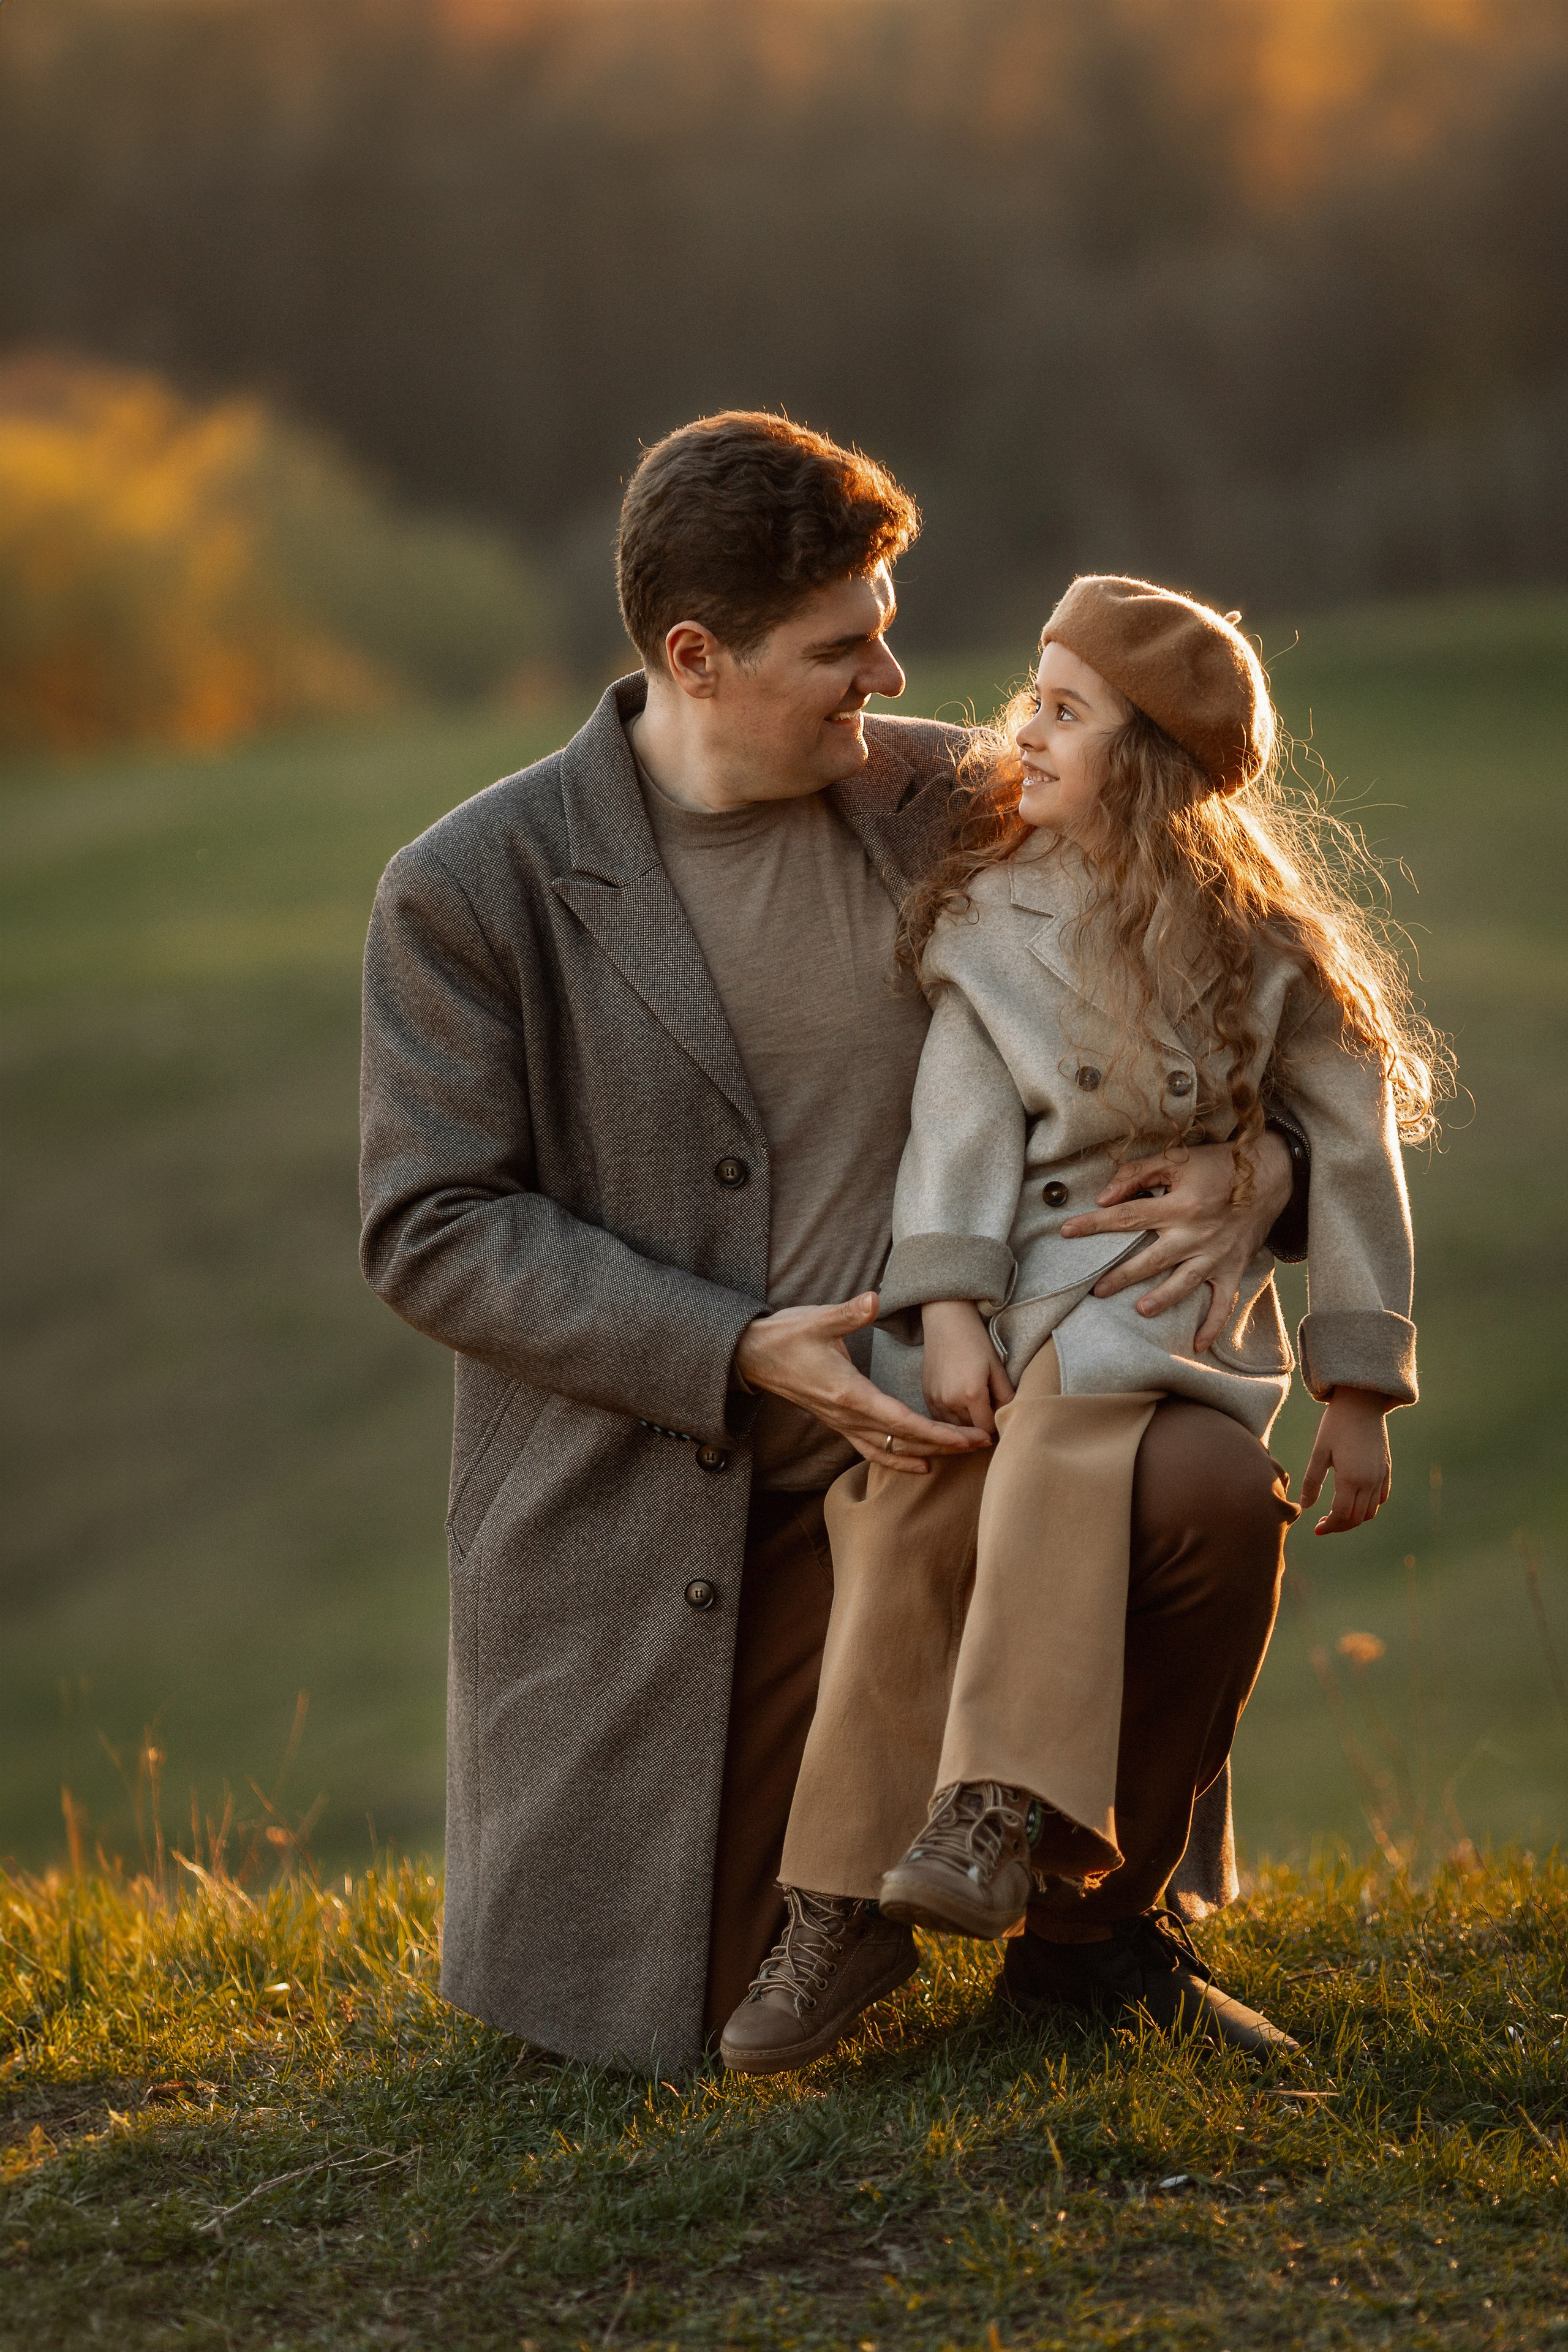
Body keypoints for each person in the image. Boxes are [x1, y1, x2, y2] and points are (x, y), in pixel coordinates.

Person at [360, 415, 1310, 2069]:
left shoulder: (973, 802)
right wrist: (732, 1348)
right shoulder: (474, 890)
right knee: (685, 2015)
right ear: (695, 656)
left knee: (1216, 1495)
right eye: (841, 644)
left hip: (996, 1433)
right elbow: (433, 1229)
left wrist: (1271, 1168)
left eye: (886, 621)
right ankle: (842, 1891)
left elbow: (1251, 980)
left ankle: (1092, 1947)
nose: (890, 669)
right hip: (681, 1503)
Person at [722, 576, 1441, 2077]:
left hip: (1154, 1315)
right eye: (1028, 698)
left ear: (1152, 760)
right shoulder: (987, 916)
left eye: (1064, 712)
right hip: (1011, 1299)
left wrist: (1356, 1384)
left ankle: (1000, 1812)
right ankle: (837, 1899)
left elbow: (1353, 1146)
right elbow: (957, 1132)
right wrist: (948, 1311)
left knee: (1065, 1451)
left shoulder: (1263, 945)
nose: (1020, 732)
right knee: (909, 1518)